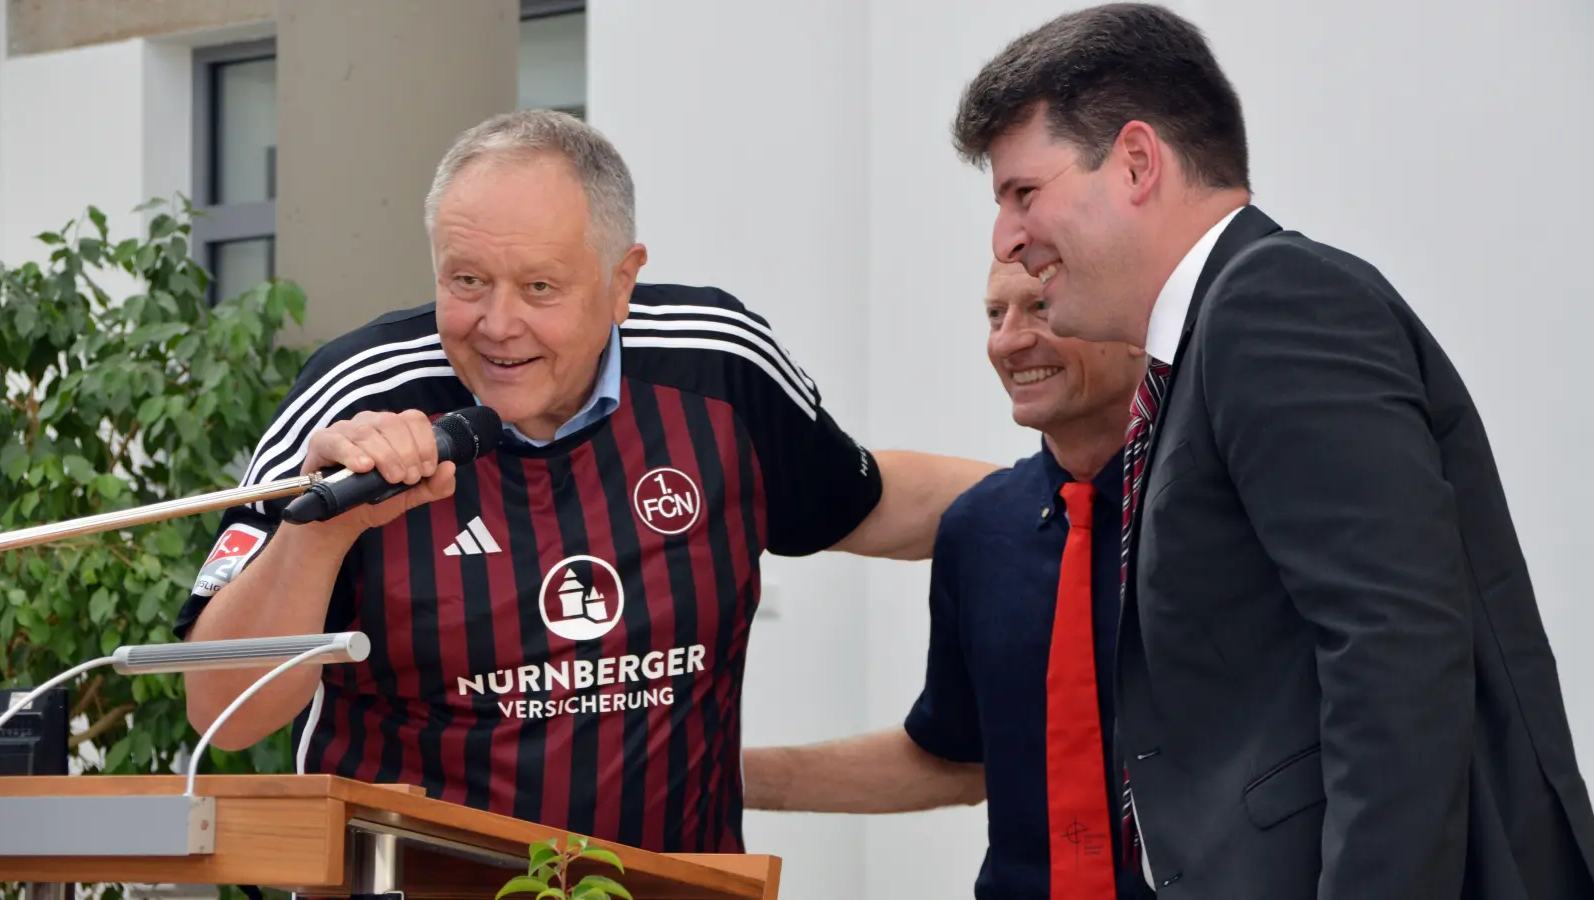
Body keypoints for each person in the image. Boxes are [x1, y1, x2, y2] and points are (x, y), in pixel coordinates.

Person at [174, 108, 996, 854]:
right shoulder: (357, 394)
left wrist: (1098, 492)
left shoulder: (718, 366)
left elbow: (869, 503)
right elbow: (223, 711)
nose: (498, 325)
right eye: (465, 282)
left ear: (622, 281)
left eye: (539, 287)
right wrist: (321, 531)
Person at [952, 4, 1594, 898]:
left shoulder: (1270, 300)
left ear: (1136, 162)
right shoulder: (1200, 355)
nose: (1006, 241)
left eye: (1024, 193)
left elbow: (1392, 649)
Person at [743, 259, 1150, 899]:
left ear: (1138, 320)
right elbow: (956, 760)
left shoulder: (1213, 515)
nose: (1010, 340)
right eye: (995, 313)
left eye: (1040, 307)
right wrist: (720, 775)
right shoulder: (980, 528)